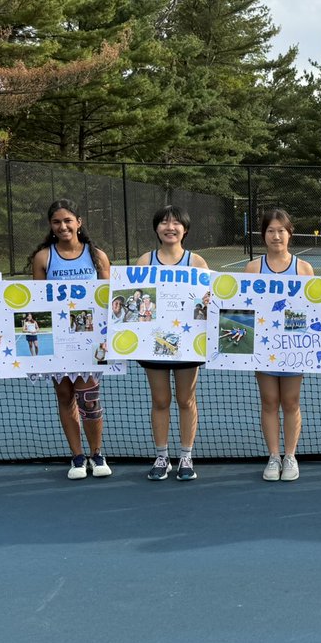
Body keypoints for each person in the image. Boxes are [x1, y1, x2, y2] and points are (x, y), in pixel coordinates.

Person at [29, 198, 112, 480]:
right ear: (50, 226)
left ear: (79, 222)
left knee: (88, 399)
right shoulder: (43, 258)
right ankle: (77, 457)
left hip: (89, 340)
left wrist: (107, 338)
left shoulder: (97, 256)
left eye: (67, 220)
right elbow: (39, 302)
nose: (62, 226)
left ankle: (97, 454)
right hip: (58, 341)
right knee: (65, 397)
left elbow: (107, 299)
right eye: (56, 222)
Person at [134, 206, 209, 482]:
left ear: (184, 230)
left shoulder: (197, 263)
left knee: (185, 399)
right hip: (153, 343)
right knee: (160, 400)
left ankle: (186, 456)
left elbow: (209, 304)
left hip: (188, 344)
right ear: (156, 229)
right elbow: (133, 302)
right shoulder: (145, 261)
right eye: (164, 222)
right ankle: (162, 456)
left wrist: (209, 301)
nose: (170, 227)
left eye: (176, 223)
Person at [246, 209, 317, 482]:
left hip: (294, 346)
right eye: (270, 231)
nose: (276, 236)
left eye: (281, 231)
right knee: (269, 401)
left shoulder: (304, 269)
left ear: (290, 233)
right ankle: (273, 456)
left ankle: (290, 456)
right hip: (263, 348)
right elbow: (241, 307)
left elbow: (312, 309)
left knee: (290, 401)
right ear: (263, 234)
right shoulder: (253, 268)